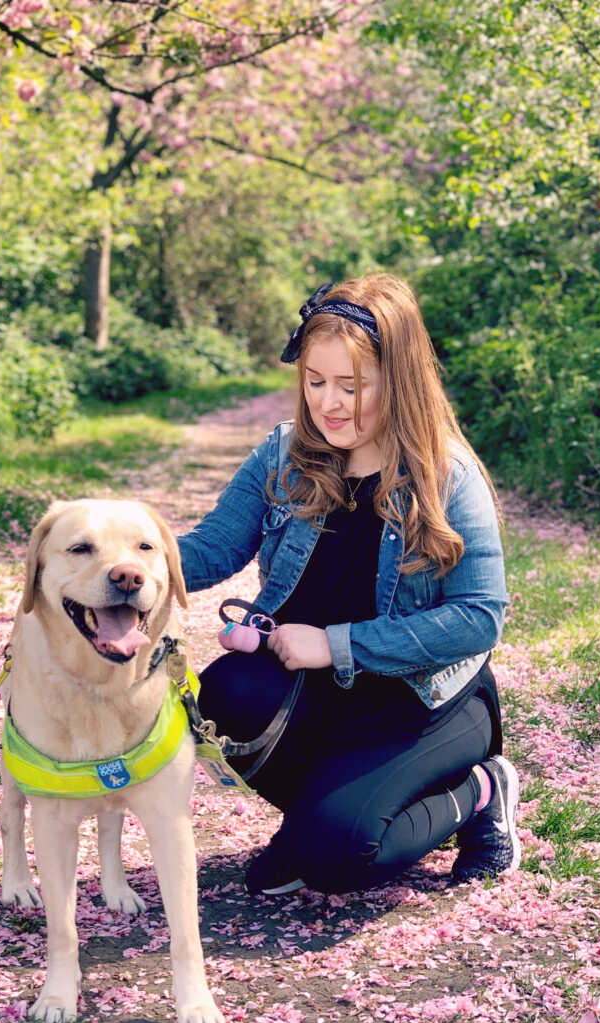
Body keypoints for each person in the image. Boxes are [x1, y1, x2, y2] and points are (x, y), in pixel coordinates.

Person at [177, 274, 519, 897]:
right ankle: (315, 820)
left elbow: (479, 618)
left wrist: (337, 645)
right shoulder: (284, 456)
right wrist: (111, 555)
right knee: (225, 694)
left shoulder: (448, 475)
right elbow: (209, 550)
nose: (329, 403)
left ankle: (482, 791)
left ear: (400, 380)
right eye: (315, 382)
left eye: (352, 386)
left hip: (422, 705)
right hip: (318, 699)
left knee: (337, 861)